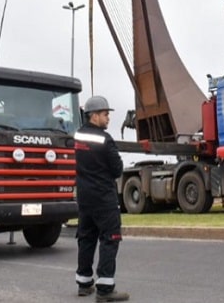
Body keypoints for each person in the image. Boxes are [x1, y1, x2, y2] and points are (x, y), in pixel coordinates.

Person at [73, 95, 129, 302]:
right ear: (94, 115)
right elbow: (117, 169)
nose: (108, 118)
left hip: (85, 198)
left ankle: (84, 283)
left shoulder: (78, 136)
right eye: (105, 114)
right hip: (104, 198)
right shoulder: (105, 140)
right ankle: (105, 289)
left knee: (86, 238)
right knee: (110, 238)